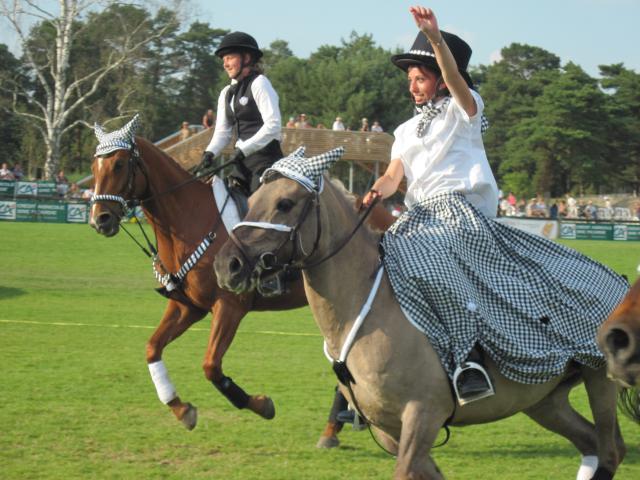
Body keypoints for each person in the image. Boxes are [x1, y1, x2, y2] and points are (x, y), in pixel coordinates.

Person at [361, 6, 627, 406]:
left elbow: (453, 77)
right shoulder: (401, 132)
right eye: (410, 80)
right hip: (417, 218)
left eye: (420, 78)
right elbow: (394, 176)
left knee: (434, 262)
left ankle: (469, 359)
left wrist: (435, 39)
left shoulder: (463, 110)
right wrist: (374, 193)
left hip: (458, 212)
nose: (412, 86)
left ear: (440, 81)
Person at [198, 31, 283, 198]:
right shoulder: (226, 93)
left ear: (246, 58)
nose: (225, 64)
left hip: (265, 163)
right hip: (242, 165)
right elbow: (222, 132)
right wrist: (210, 153)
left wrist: (244, 149)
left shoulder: (260, 83)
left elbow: (273, 125)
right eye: (223, 60)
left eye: (229, 58)